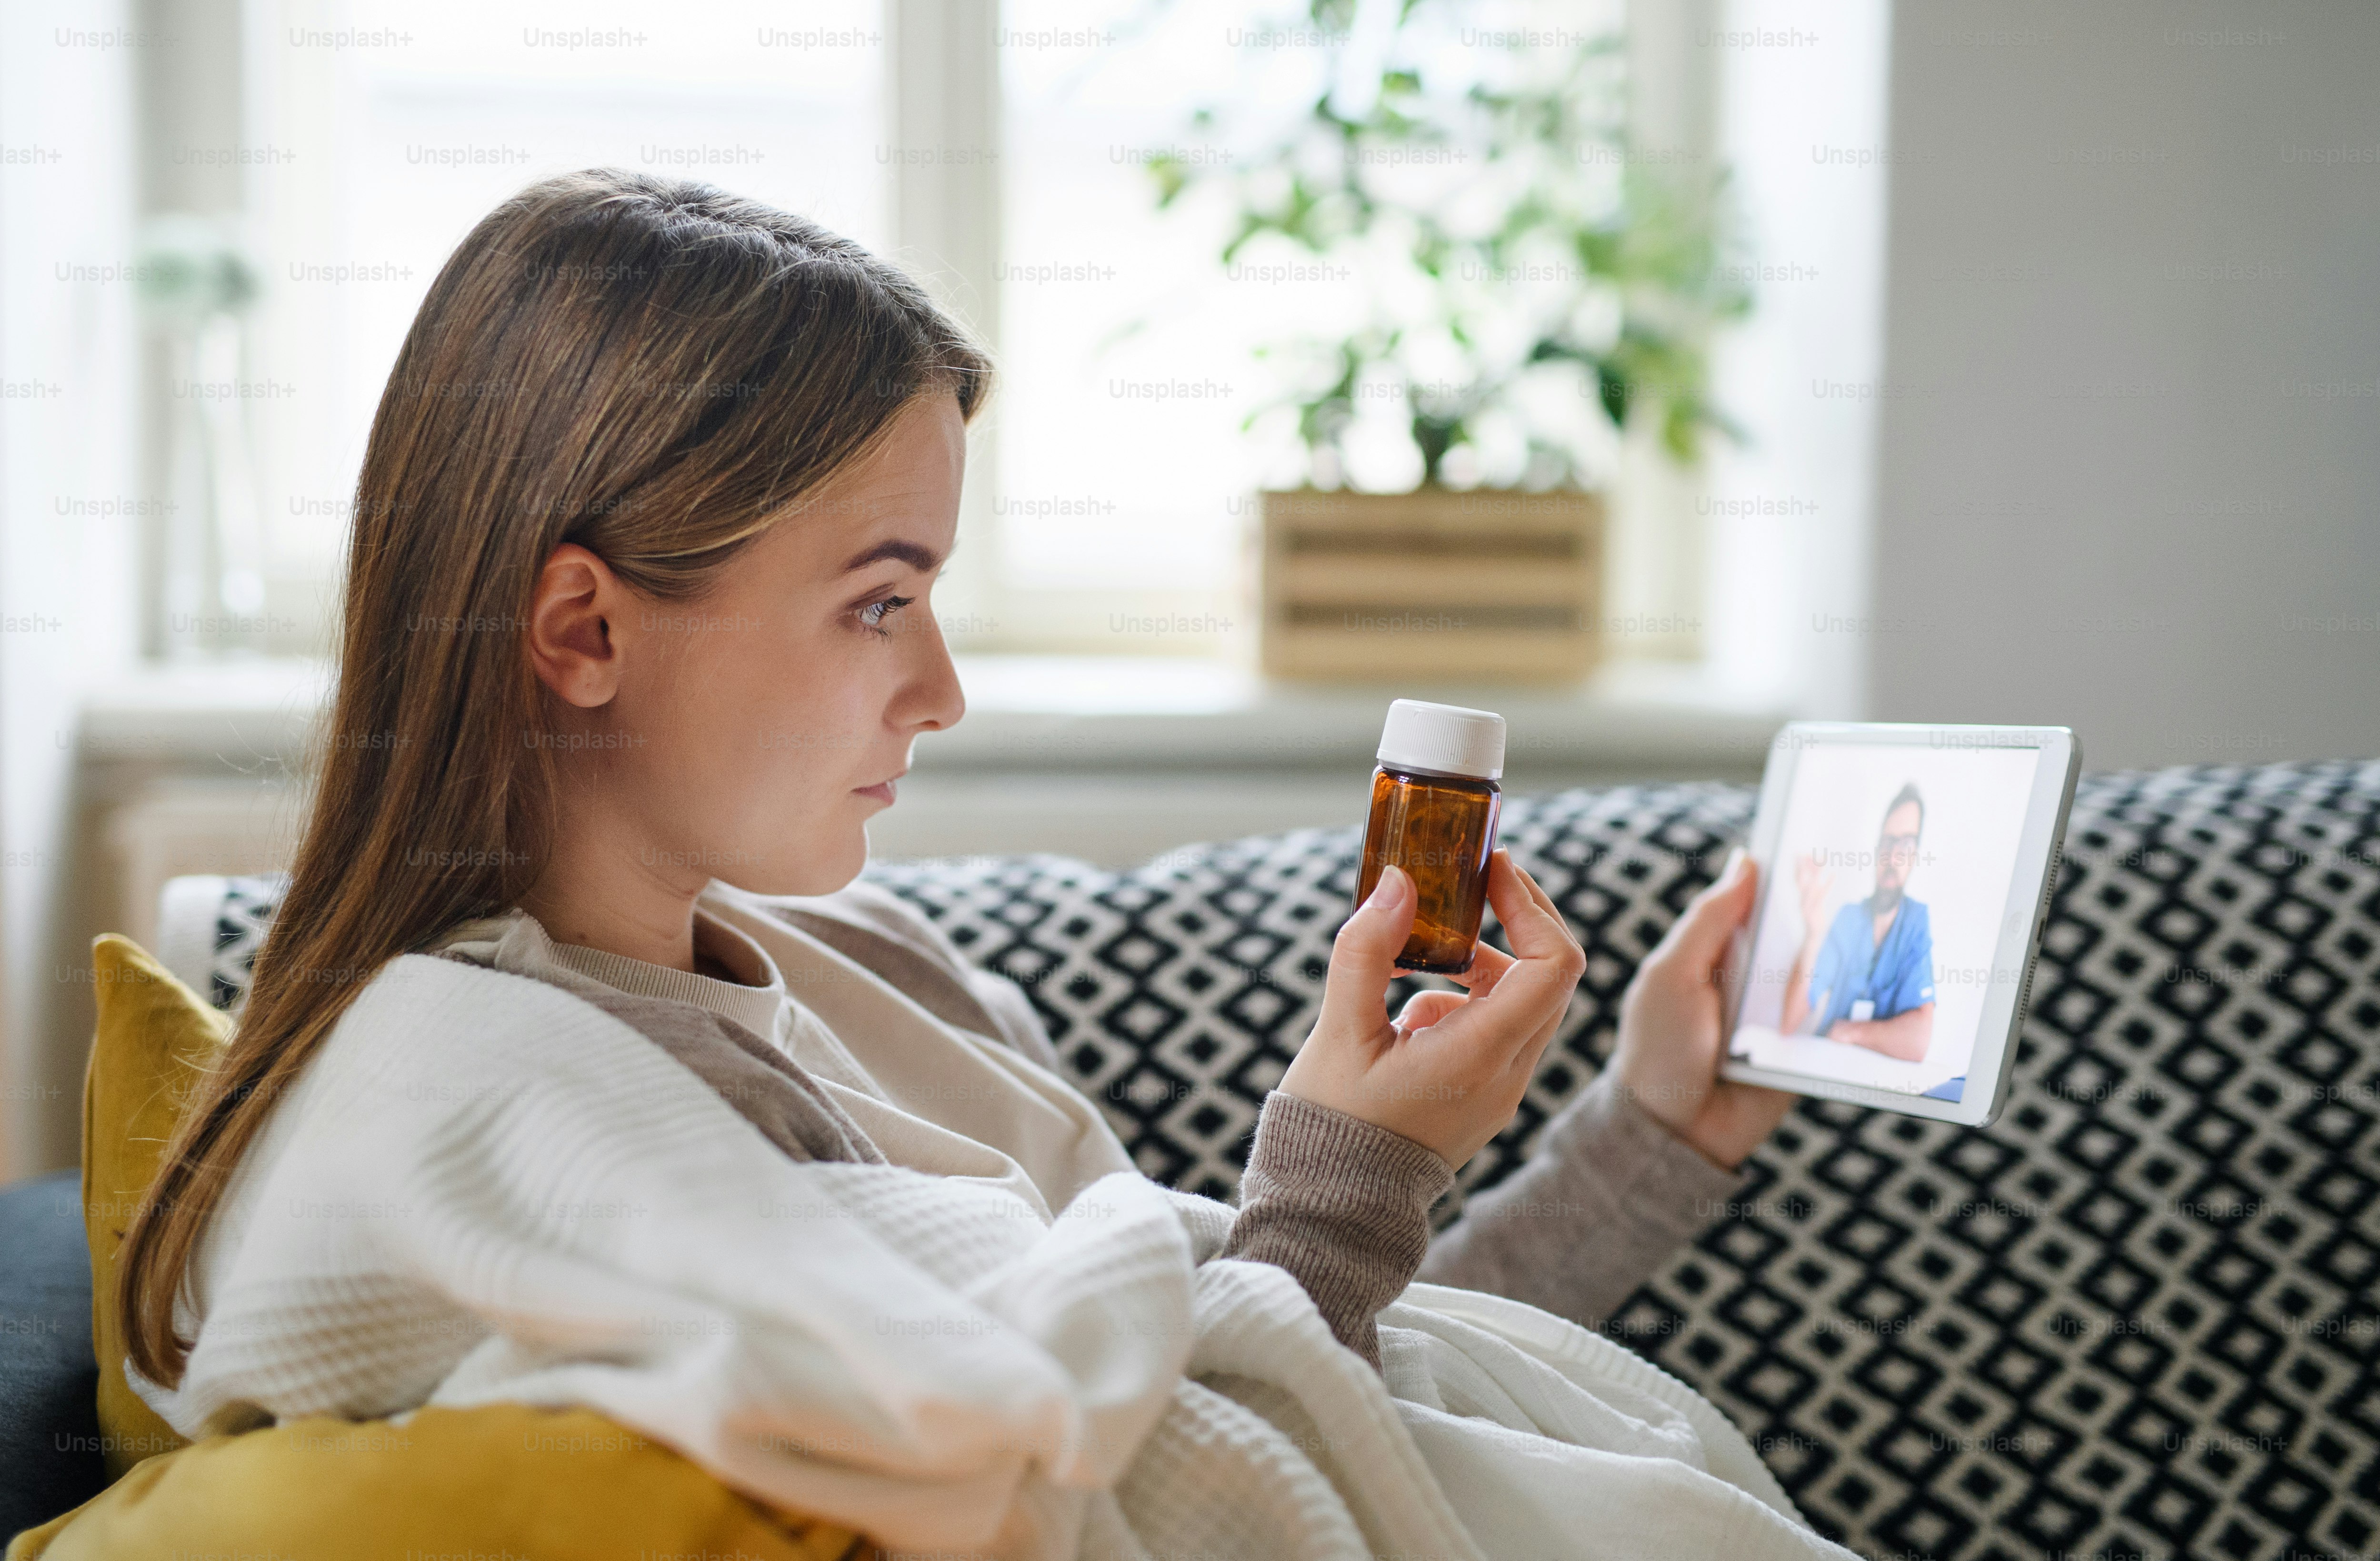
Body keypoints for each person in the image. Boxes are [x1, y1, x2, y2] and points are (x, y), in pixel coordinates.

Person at [106, 171, 1847, 1560]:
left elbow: (1314, 1401)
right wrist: (1343, 1176)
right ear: (581, 626)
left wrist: (1647, 1136)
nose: (939, 693)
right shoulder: (496, 1105)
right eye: (879, 601)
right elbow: (1137, 1497)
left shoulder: (880, 977)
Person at [1780, 783, 1937, 1062]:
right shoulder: (1848, 919)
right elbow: (1790, 1021)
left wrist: (1850, 1032)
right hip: (1828, 1068)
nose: (1894, 856)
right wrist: (1813, 934)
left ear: (1915, 856)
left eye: (1906, 844)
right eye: (1888, 842)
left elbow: (1919, 1039)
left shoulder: (1915, 922)